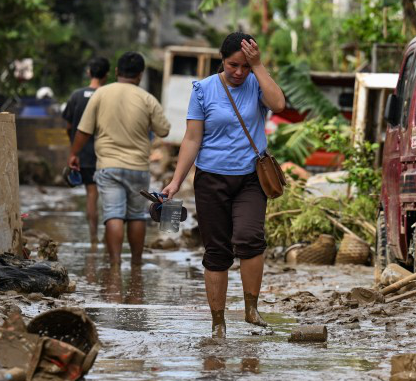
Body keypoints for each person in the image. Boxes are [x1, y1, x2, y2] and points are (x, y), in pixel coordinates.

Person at [162, 33, 286, 338]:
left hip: (250, 179)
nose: (239, 72)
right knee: (216, 251)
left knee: (249, 238)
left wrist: (259, 66)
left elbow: (279, 104)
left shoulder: (257, 83)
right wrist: (176, 182)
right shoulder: (203, 89)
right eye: (234, 65)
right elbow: (192, 139)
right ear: (222, 59)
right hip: (211, 179)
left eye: (245, 66)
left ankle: (251, 309)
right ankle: (218, 322)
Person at [70, 52, 170, 269]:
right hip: (138, 168)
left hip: (109, 166)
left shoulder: (101, 94)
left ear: (116, 72)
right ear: (140, 75)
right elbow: (164, 130)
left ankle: (115, 264)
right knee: (136, 216)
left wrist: (73, 154)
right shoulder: (147, 98)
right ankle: (136, 264)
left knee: (113, 213)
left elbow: (83, 130)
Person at [62, 57, 110, 244]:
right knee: (108, 193)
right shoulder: (108, 95)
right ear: (107, 75)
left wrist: (74, 148)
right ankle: (109, 234)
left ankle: (93, 238)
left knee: (91, 193)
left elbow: (68, 125)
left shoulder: (76, 95)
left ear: (89, 72)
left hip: (84, 154)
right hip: (106, 153)